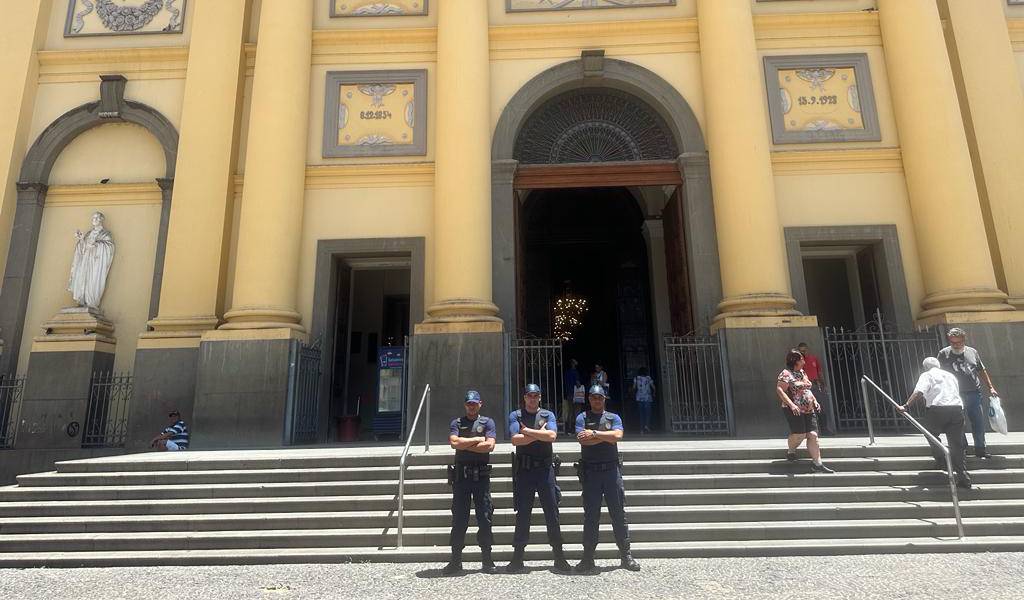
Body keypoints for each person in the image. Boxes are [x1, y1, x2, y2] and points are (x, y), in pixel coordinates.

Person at [573, 385, 640, 574]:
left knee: (618, 514)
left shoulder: (614, 418)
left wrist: (595, 434)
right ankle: (587, 558)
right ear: (589, 399)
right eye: (593, 397)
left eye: (599, 398)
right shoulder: (582, 418)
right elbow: (582, 440)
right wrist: (606, 437)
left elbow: (618, 436)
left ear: (604, 399)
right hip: (591, 473)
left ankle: (626, 555)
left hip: (611, 472)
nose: (596, 400)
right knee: (591, 517)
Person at [506, 383, 570, 573]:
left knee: (552, 512)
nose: (532, 398)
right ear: (524, 397)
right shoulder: (516, 415)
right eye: (529, 395)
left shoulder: (548, 415)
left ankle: (559, 557)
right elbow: (515, 440)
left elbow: (551, 436)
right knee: (523, 514)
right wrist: (538, 434)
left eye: (535, 395)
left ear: (539, 397)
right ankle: (517, 558)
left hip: (545, 470)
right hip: (525, 471)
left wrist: (526, 431)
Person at [443, 390, 497, 575]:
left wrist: (464, 443)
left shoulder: (487, 422)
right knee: (459, 519)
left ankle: (487, 559)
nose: (471, 406)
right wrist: (475, 440)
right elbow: (454, 444)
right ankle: (455, 560)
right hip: (461, 478)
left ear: (480, 403)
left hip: (481, 478)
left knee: (485, 517)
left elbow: (489, 446)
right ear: (465, 404)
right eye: (469, 403)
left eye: (474, 403)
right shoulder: (457, 423)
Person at [897, 357, 971, 489]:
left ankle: (942, 459)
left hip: (937, 409)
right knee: (956, 443)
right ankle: (962, 475)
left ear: (925, 367)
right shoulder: (951, 375)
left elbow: (919, 392)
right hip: (956, 409)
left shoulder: (927, 375)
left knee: (930, 433)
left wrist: (906, 406)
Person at [937, 328, 999, 459]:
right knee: (958, 423)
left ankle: (981, 449)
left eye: (958, 342)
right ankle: (962, 449)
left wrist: (991, 388)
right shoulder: (943, 354)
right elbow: (938, 374)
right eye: (953, 342)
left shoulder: (973, 352)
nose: (956, 345)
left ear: (964, 340)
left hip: (974, 393)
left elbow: (982, 371)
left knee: (978, 421)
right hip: (954, 394)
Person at [776, 349, 834, 473]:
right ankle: (791, 451)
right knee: (800, 434)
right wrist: (791, 405)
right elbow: (780, 390)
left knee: (813, 435)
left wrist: (814, 401)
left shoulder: (802, 372)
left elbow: (807, 389)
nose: (804, 361)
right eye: (802, 359)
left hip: (808, 408)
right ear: (795, 361)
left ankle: (817, 464)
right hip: (794, 409)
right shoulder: (786, 374)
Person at [797, 342, 833, 435]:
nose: (803, 353)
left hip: (815, 385)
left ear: (807, 350)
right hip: (804, 387)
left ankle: (824, 429)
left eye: (804, 351)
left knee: (820, 407)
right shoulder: (798, 362)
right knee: (806, 410)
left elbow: (819, 372)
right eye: (801, 352)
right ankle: (807, 431)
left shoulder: (813, 359)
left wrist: (823, 384)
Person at [631, 367, 656, 434]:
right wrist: (654, 393)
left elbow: (634, 387)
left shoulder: (636, 378)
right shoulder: (648, 378)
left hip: (639, 398)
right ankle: (647, 426)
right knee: (648, 413)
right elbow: (653, 386)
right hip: (648, 398)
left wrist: (632, 393)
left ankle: (641, 429)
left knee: (641, 414)